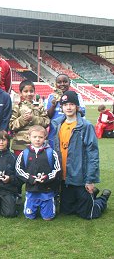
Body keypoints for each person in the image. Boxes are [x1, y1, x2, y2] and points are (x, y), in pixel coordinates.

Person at [52, 91, 111, 220]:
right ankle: (90, 196)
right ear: (61, 107)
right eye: (65, 104)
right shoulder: (57, 124)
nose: (68, 107)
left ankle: (102, 199)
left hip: (80, 177)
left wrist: (90, 180)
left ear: (77, 106)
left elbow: (93, 154)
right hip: (64, 178)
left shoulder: (86, 126)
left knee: (88, 214)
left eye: (72, 104)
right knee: (67, 211)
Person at [15, 126, 60, 220]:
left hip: (47, 189)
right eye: (34, 137)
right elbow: (18, 169)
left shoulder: (51, 152)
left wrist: (46, 178)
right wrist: (31, 179)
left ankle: (49, 206)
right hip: (31, 189)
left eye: (40, 137)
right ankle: (33, 207)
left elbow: (57, 169)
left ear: (45, 138)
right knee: (29, 216)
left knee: (48, 217)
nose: (37, 139)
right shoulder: (25, 153)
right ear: (29, 137)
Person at [9, 80, 50, 156]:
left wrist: (33, 119)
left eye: (31, 91)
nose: (29, 94)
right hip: (20, 145)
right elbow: (11, 125)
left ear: (34, 92)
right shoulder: (17, 107)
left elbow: (46, 122)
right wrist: (22, 119)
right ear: (20, 93)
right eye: (26, 91)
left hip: (38, 144)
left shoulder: (39, 106)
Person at [46, 74, 85, 148]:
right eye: (59, 82)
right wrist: (54, 104)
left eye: (65, 82)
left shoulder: (76, 96)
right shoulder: (51, 97)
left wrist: (73, 104)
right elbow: (48, 116)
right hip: (54, 133)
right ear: (55, 84)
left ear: (69, 83)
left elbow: (82, 113)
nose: (62, 84)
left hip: (72, 132)